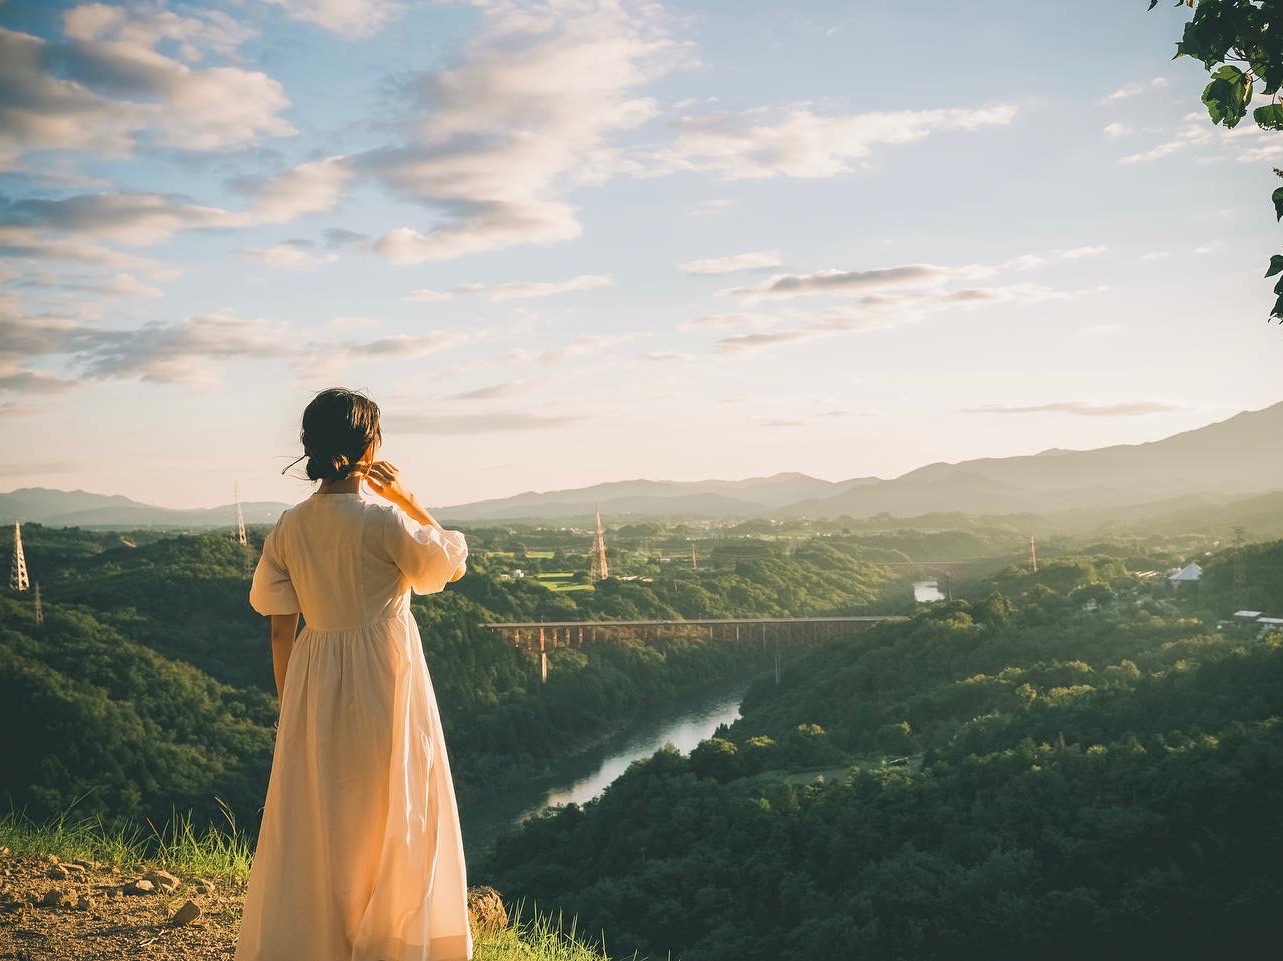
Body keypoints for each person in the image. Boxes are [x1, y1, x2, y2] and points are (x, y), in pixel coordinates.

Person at [235, 387, 473, 961]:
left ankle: (321, 942)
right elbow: (449, 563)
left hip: (315, 678)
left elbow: (277, 629)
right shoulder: (384, 519)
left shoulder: (290, 527)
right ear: (370, 444)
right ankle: (394, 941)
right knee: (396, 807)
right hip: (385, 676)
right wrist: (407, 496)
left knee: (325, 815)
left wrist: (290, 706)